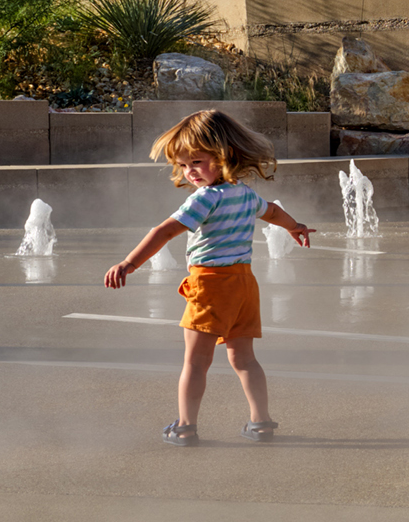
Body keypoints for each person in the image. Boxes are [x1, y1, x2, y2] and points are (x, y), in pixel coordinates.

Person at [103, 109, 315, 446]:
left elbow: (165, 231)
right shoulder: (245, 194)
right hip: (244, 285)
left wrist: (130, 263)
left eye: (197, 162)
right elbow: (271, 211)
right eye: (184, 165)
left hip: (211, 284)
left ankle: (185, 426)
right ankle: (260, 421)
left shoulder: (204, 199)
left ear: (223, 156)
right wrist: (294, 226)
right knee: (244, 358)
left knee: (196, 361)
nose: (190, 172)